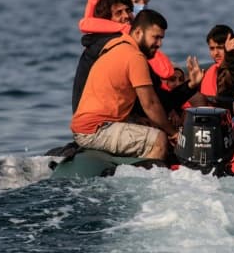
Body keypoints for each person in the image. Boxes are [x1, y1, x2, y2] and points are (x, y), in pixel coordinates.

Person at [71, 9, 203, 160]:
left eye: (162, 38)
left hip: (94, 125)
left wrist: (191, 85)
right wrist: (173, 133)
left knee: (150, 124)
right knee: (158, 140)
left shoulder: (117, 45)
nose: (159, 44)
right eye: (156, 37)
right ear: (139, 32)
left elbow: (159, 101)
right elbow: (151, 104)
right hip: (95, 130)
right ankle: (150, 181)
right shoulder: (135, 57)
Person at [72, 0, 133, 113]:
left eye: (128, 10)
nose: (126, 16)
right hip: (96, 121)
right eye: (119, 13)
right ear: (107, 20)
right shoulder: (109, 45)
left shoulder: (100, 41)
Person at [199, 25, 234, 115]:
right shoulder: (216, 68)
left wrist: (230, 53)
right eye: (212, 48)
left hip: (232, 118)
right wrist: (193, 84)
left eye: (220, 48)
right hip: (211, 116)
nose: (216, 53)